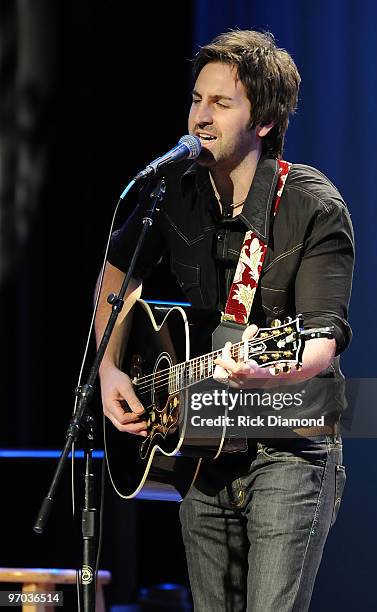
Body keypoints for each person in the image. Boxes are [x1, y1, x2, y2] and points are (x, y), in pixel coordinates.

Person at [95, 29, 354, 612]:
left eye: (221, 103)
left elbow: (320, 340)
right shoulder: (172, 192)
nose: (200, 117)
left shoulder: (313, 205)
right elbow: (116, 274)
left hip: (288, 445)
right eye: (196, 99)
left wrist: (268, 377)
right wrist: (111, 369)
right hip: (202, 448)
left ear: (263, 121)